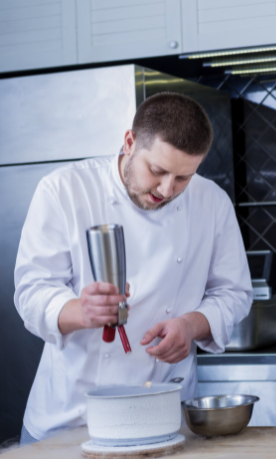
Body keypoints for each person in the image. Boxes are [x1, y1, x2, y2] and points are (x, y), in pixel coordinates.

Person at [14, 92, 253, 444]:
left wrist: (191, 325)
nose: (167, 189)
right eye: (157, 170)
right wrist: (81, 310)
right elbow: (32, 292)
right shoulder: (64, 190)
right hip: (69, 420)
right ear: (129, 142)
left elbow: (234, 294)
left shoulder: (212, 202)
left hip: (163, 417)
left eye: (183, 178)